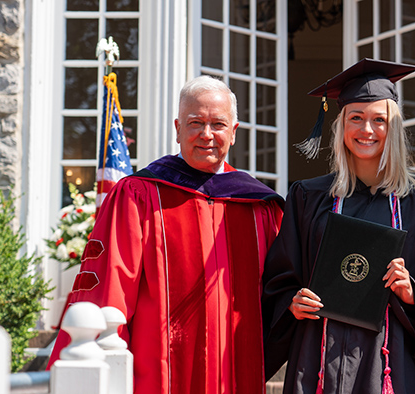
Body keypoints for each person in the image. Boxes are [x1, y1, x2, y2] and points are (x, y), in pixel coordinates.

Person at [47, 75, 284, 394]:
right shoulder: (139, 195)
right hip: (157, 371)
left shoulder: (260, 207)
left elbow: (282, 291)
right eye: (195, 122)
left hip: (236, 369)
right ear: (177, 128)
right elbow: (110, 284)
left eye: (217, 124)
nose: (206, 134)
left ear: (234, 132)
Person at [262, 58, 415, 393]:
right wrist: (292, 302)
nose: (367, 130)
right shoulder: (309, 197)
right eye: (356, 118)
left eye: (380, 120)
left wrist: (412, 292)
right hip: (317, 359)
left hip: (389, 361)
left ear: (394, 128)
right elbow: (279, 277)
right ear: (340, 126)